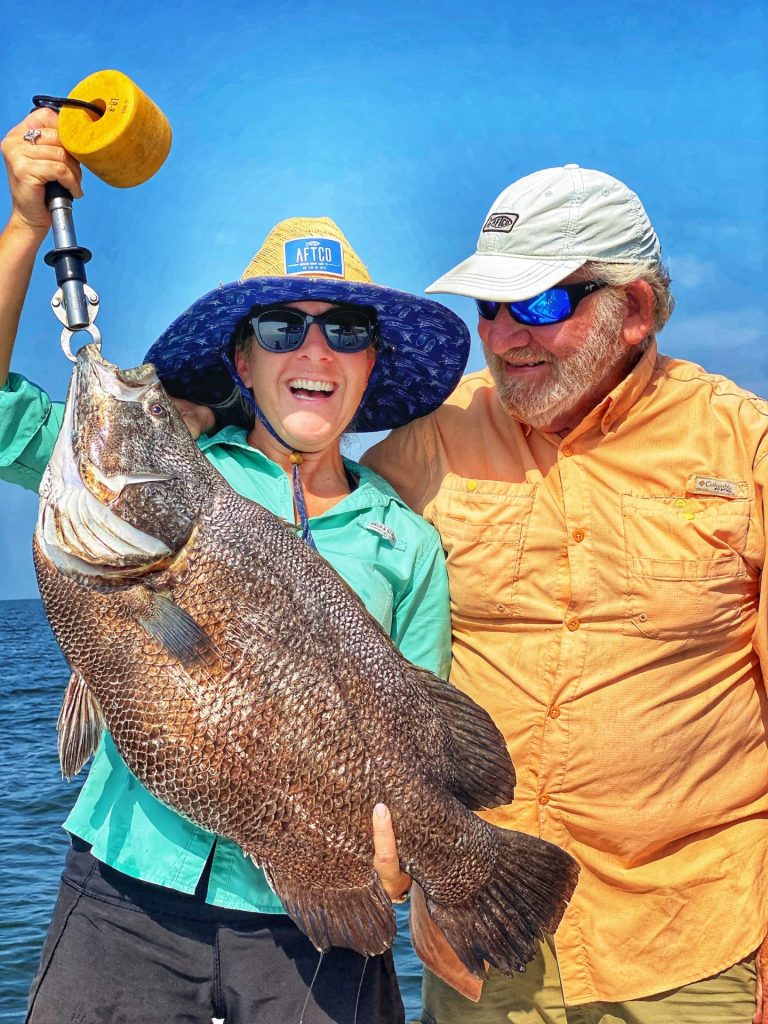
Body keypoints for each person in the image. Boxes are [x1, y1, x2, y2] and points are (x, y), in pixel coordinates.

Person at [0, 108, 470, 1024]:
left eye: (345, 330)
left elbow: (423, 733)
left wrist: (417, 856)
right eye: (282, 326)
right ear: (243, 358)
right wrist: (24, 227)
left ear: (372, 365)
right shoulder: (168, 467)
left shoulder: (403, 541)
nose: (315, 349)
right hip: (125, 890)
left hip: (316, 918)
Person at [364, 163, 768, 1024]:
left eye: (542, 303)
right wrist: (197, 406)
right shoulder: (423, 446)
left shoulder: (748, 449)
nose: (508, 335)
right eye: (490, 308)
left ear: (636, 311)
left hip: (689, 944)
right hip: (474, 945)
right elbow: (308, 572)